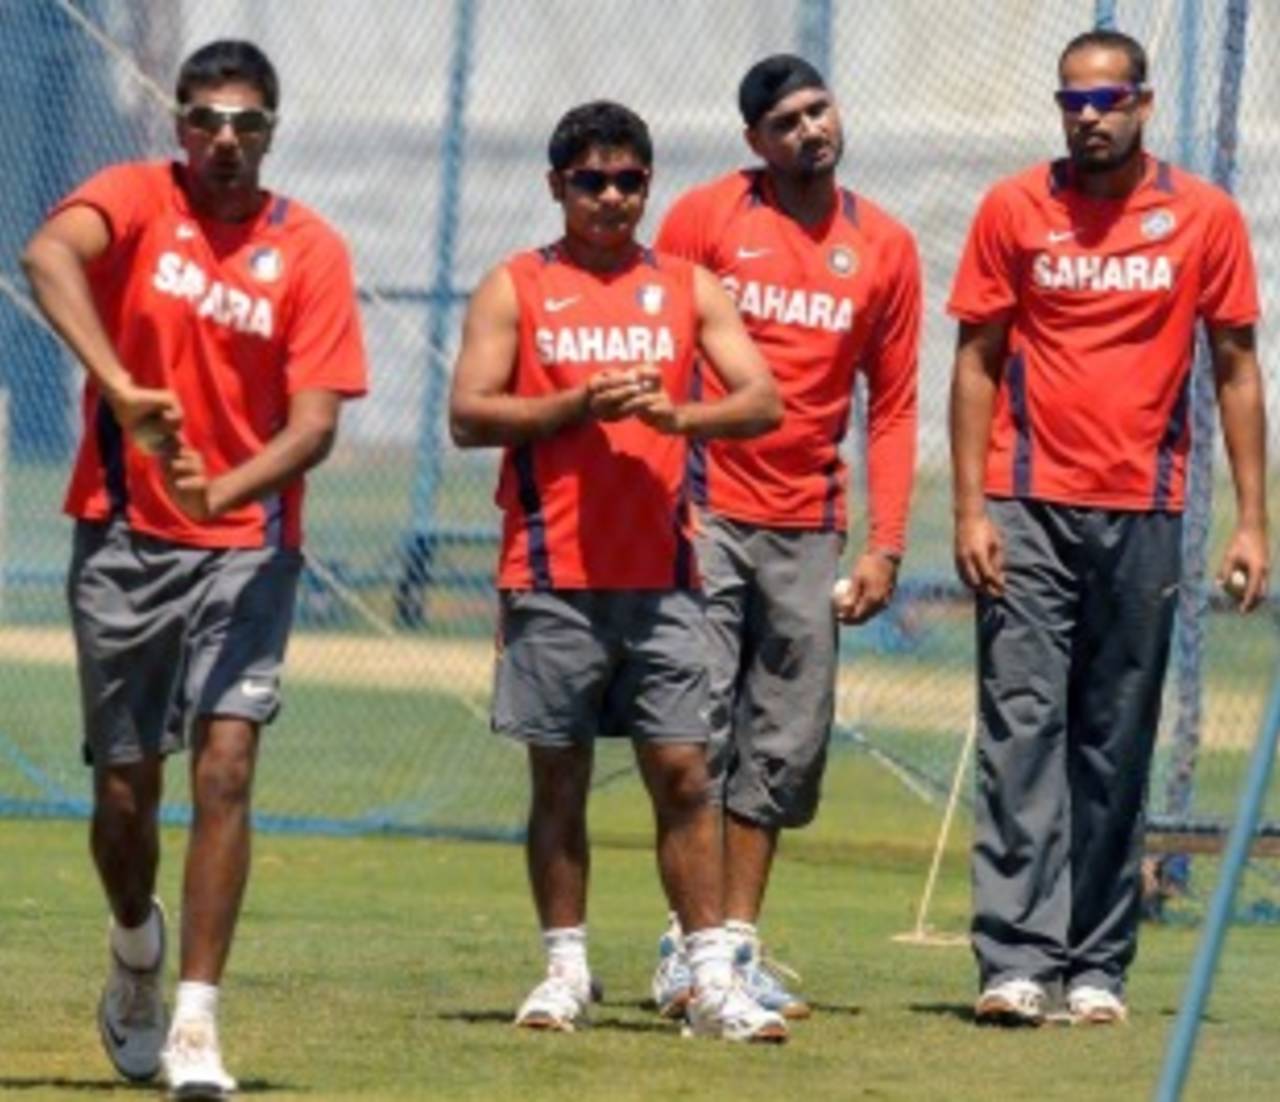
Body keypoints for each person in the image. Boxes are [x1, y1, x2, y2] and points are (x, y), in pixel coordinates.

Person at [21, 40, 367, 1095]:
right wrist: (123, 390)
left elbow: (312, 426)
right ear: (178, 124)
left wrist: (232, 488)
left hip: (248, 545)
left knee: (226, 767)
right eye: (208, 119)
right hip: (124, 539)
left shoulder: (307, 247)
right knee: (126, 790)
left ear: (272, 132)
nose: (226, 140)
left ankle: (198, 1025)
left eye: (249, 124)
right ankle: (135, 949)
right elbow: (46, 257)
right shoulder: (133, 197)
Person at [948, 28, 1268, 1027]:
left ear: (1142, 102)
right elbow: (974, 359)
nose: (1089, 118)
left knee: (1111, 738)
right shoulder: (1012, 208)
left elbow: (1233, 367)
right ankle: (1014, 957)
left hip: (1146, 509)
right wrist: (967, 507)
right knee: (1020, 729)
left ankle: (1094, 964)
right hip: (1026, 505)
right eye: (1072, 103)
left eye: (1108, 100)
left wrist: (1252, 519)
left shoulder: (1202, 216)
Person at [449, 100, 787, 1041]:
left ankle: (712, 976)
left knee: (684, 775)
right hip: (551, 573)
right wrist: (573, 405)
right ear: (557, 186)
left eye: (629, 180)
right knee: (558, 779)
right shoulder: (517, 285)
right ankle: (565, 969)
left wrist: (684, 420)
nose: (611, 197)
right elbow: (469, 415)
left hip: (668, 576)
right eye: (591, 181)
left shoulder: (686, 285)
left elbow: (761, 398)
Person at [648, 55, 921, 1019]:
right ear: (756, 142)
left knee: (784, 750)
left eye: (819, 110)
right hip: (706, 512)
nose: (810, 129)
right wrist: (662, 498)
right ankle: (692, 951)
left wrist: (885, 543)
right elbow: (661, 356)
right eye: (786, 121)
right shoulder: (704, 219)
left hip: (809, 525)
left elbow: (890, 407)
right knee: (697, 738)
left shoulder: (882, 245)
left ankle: (740, 949)